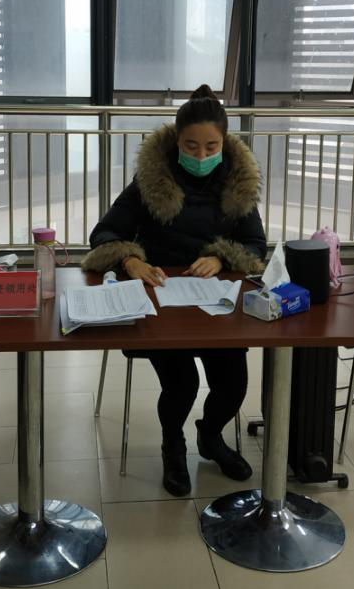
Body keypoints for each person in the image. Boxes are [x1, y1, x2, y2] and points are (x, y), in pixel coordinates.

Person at [82, 85, 266, 496]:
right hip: (159, 302)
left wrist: (222, 257)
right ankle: (173, 446)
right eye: (191, 146)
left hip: (214, 303)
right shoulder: (152, 179)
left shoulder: (237, 181)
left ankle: (210, 436)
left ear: (225, 143)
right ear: (176, 142)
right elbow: (104, 233)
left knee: (233, 382)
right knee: (181, 383)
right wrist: (130, 260)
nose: (201, 156)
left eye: (211, 147)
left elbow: (256, 244)